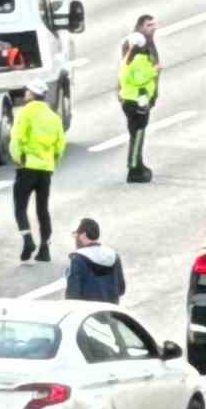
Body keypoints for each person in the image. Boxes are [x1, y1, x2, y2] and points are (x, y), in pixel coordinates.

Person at [9, 80, 67, 263]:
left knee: (20, 207)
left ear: (31, 94)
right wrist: (52, 164)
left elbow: (17, 138)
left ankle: (27, 239)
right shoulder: (53, 116)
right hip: (45, 170)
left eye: (27, 91)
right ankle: (44, 249)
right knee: (43, 209)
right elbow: (60, 145)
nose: (25, 93)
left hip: (27, 166)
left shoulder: (25, 112)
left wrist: (19, 159)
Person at [120, 31, 160, 183]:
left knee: (135, 135)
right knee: (138, 136)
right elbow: (138, 78)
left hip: (128, 100)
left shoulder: (127, 59)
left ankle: (138, 164)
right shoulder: (139, 60)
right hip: (138, 101)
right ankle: (134, 170)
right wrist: (153, 71)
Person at [65, 218, 126, 304]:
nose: (76, 238)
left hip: (89, 314)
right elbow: (121, 289)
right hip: (110, 312)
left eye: (76, 235)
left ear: (83, 235)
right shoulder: (114, 256)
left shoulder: (78, 260)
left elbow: (72, 296)